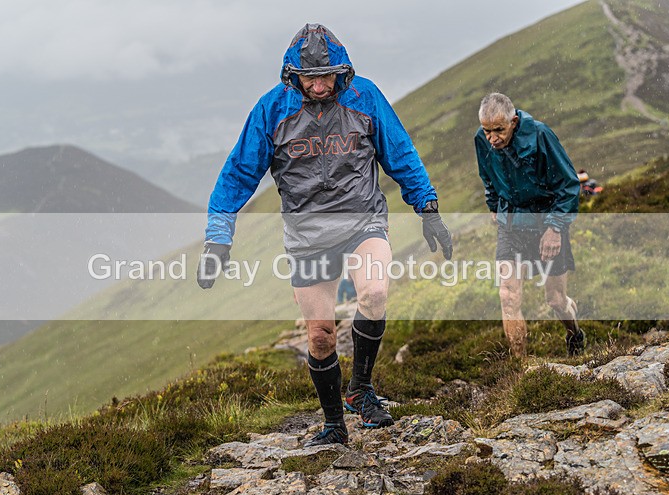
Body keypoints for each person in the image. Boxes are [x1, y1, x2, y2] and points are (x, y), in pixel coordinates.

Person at [197, 24, 452, 447]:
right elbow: (237, 174)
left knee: (373, 293)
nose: (319, 85)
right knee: (320, 335)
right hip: (308, 237)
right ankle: (334, 424)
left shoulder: (364, 97)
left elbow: (400, 153)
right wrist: (217, 239)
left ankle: (361, 389)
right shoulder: (272, 110)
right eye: (309, 78)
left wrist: (427, 208)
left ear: (342, 71)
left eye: (327, 76)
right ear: (292, 75)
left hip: (362, 221)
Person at [474, 93, 584, 358]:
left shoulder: (540, 135)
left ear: (513, 121)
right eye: (488, 131)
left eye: (499, 130)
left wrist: (554, 228)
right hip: (511, 224)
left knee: (556, 300)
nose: (492, 138)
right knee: (508, 296)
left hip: (546, 221)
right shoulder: (482, 139)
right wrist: (493, 204)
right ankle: (520, 369)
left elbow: (569, 185)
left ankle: (574, 333)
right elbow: (487, 176)